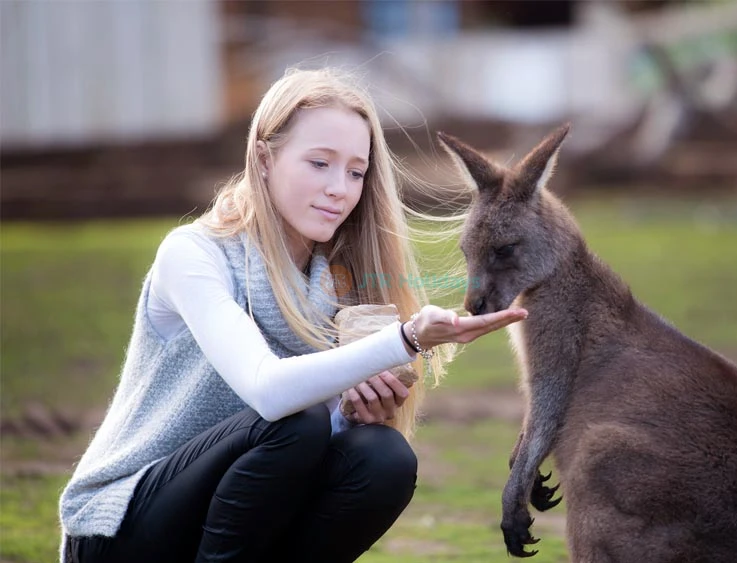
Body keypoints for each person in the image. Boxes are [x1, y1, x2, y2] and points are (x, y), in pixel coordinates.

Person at [59, 67, 527, 563]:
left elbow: (290, 452)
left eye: (355, 171)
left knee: (382, 458)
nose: (339, 189)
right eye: (319, 163)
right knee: (295, 421)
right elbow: (269, 391)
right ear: (264, 158)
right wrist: (407, 338)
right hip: (119, 530)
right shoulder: (195, 255)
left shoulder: (339, 285)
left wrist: (349, 415)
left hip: (228, 526)